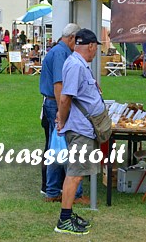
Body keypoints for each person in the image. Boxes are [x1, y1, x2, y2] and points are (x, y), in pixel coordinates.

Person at [55, 28, 103, 235]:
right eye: (95, 49)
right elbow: (65, 98)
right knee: (74, 174)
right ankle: (64, 220)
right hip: (80, 129)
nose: (95, 53)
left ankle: (68, 214)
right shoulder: (75, 65)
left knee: (77, 173)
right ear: (91, 46)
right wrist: (62, 120)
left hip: (83, 128)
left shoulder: (78, 64)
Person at [39, 23, 81, 202]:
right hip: (55, 104)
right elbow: (59, 86)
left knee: (56, 147)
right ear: (71, 38)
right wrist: (61, 111)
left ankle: (53, 190)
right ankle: (58, 190)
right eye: (77, 41)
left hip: (52, 104)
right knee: (62, 147)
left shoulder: (59, 51)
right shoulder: (60, 53)